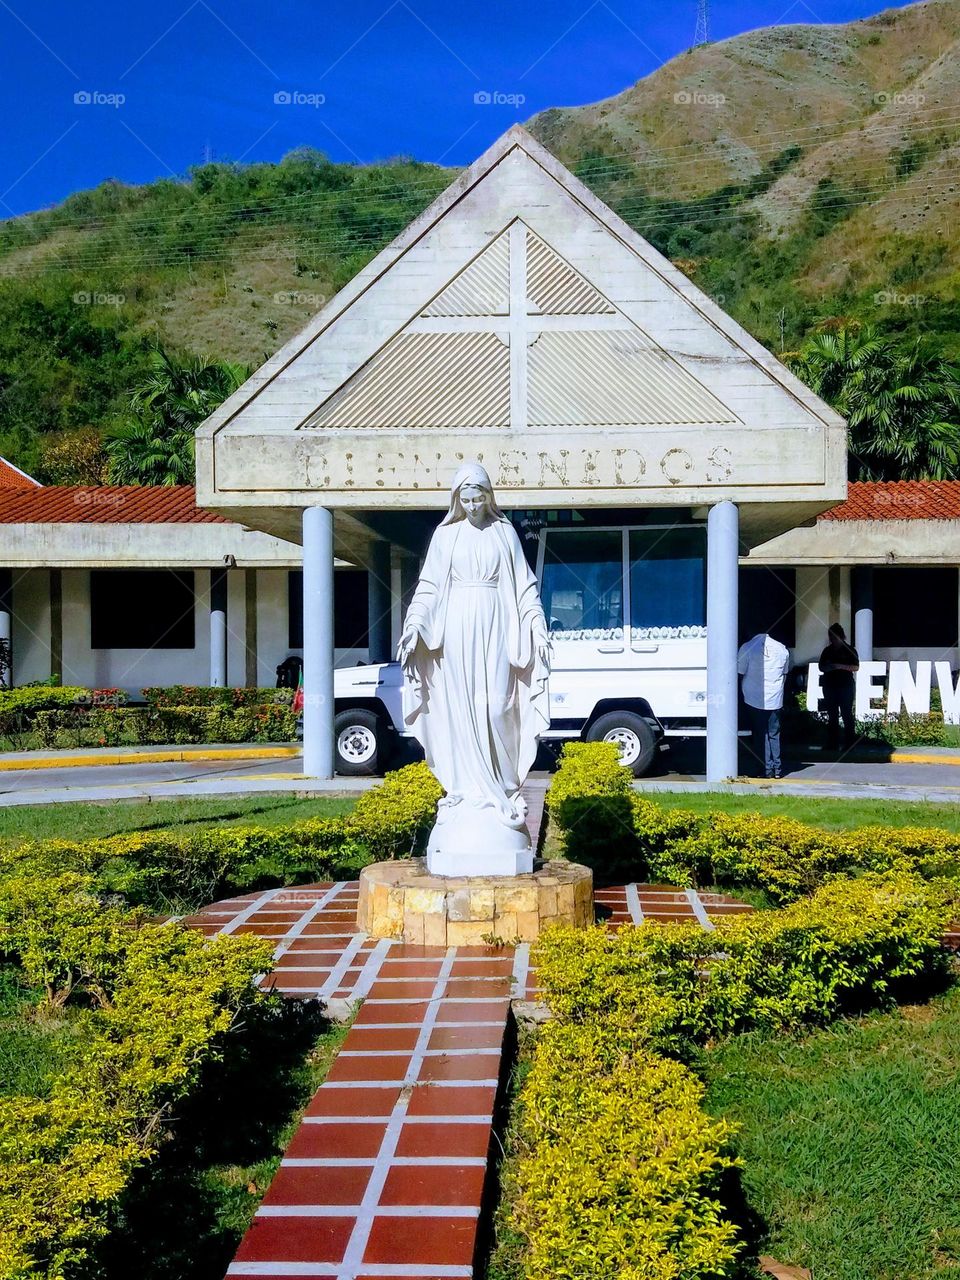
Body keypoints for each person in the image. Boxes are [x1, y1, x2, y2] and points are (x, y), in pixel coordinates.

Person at [397, 462, 550, 868]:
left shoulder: (504, 533)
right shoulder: (446, 535)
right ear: (456, 500)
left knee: (498, 705)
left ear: (489, 496)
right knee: (461, 708)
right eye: (464, 500)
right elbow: (429, 586)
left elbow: (524, 585)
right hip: (457, 631)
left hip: (498, 628)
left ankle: (500, 787)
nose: (472, 506)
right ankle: (466, 790)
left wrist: (536, 625)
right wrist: (414, 625)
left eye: (478, 498)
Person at [737, 630, 790, 778]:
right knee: (774, 733)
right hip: (776, 699)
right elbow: (784, 675)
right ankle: (778, 769)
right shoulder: (782, 648)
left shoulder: (746, 648)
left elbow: (740, 672)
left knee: (761, 734)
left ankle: (766, 769)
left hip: (754, 699)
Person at [818, 622, 859, 750]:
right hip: (830, 686)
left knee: (847, 714)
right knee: (832, 715)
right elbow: (821, 666)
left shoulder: (849, 650)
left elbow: (856, 667)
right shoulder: (827, 651)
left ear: (841, 637)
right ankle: (832, 743)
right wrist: (829, 667)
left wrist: (839, 666)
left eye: (835, 638)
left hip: (845, 686)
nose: (833, 640)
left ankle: (849, 743)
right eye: (831, 638)